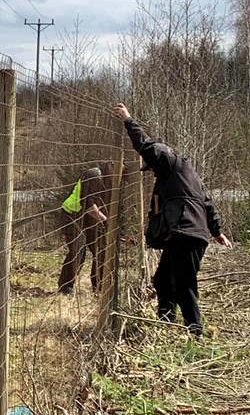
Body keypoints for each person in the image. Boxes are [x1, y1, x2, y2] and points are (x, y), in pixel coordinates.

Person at [114, 104, 232, 337]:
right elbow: (207, 203)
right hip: (186, 234)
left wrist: (128, 121)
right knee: (163, 280)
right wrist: (216, 231)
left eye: (152, 167)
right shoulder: (188, 175)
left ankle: (194, 331)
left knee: (184, 283)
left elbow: (147, 147)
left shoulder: (169, 161)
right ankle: (167, 323)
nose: (153, 171)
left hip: (184, 233)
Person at [57, 162, 112, 296]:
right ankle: (66, 287)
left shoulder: (110, 181)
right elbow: (88, 204)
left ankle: (98, 288)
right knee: (78, 250)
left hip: (89, 218)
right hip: (72, 214)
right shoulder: (93, 175)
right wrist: (106, 221)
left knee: (100, 249)